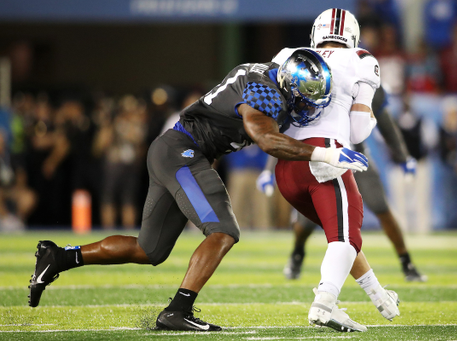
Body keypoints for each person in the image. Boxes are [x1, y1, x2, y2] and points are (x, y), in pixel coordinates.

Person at [28, 49, 368, 332]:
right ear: (289, 85)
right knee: (224, 231)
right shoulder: (264, 91)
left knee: (150, 250)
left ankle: (58, 257)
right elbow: (266, 139)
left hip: (175, 151)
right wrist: (326, 153)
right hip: (182, 152)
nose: (308, 110)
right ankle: (176, 311)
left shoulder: (267, 75)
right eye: (306, 100)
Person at [267, 8, 400, 333]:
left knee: (341, 237)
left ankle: (379, 297)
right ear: (351, 35)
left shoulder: (288, 55)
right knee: (345, 237)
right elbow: (357, 132)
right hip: (326, 159)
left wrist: (378, 294)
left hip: (286, 166)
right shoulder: (361, 59)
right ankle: (324, 301)